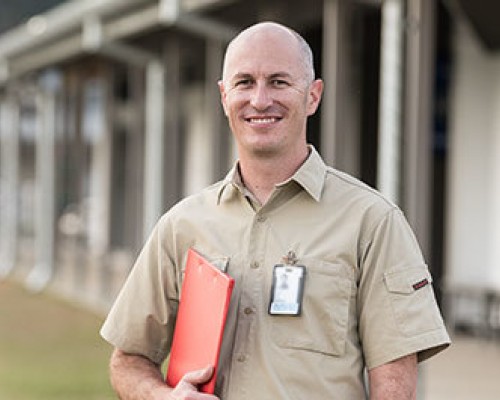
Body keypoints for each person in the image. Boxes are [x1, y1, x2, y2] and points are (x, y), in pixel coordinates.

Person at [100, 21, 450, 399]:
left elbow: (395, 385)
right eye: (245, 82)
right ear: (224, 96)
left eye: (279, 82)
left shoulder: (373, 222)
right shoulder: (181, 225)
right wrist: (163, 397)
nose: (260, 100)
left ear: (313, 96)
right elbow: (127, 361)